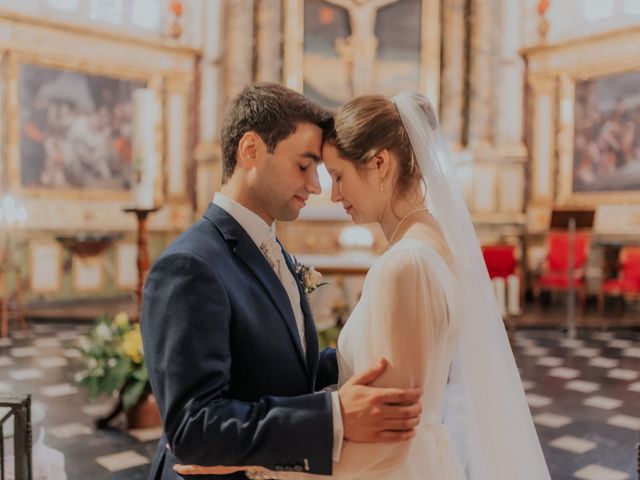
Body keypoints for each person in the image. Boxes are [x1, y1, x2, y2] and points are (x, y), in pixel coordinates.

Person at [175, 92, 551, 479]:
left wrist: (257, 465)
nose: (332, 193)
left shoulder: (405, 263)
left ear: (379, 164)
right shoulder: (433, 243)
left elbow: (390, 440)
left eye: (338, 176)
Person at [140, 84, 424, 480]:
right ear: (251, 150)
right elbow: (194, 429)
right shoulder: (190, 266)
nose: (316, 186)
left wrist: (369, 354)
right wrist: (334, 419)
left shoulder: (266, 246)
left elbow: (281, 364)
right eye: (304, 165)